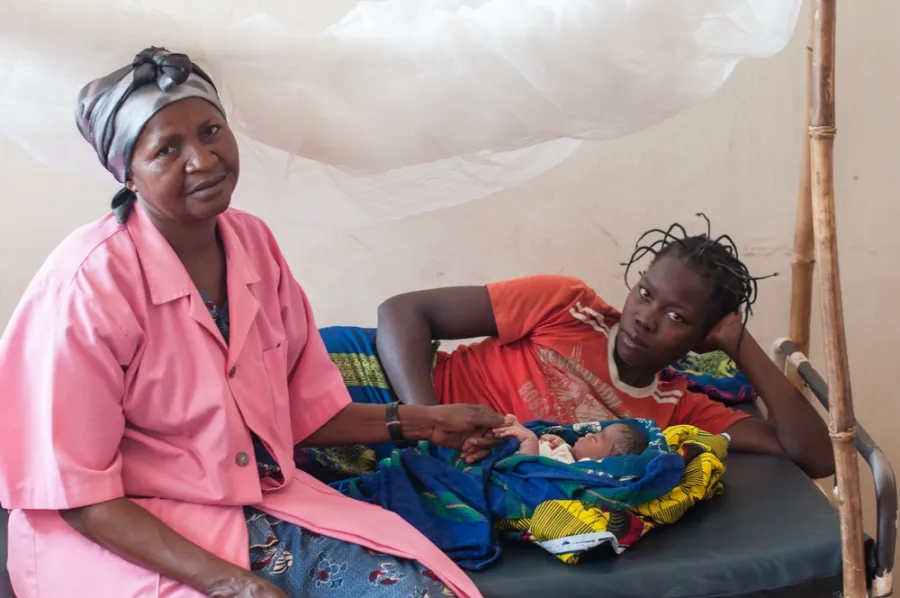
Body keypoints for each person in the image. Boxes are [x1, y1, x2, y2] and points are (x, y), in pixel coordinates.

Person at [0, 47, 503, 598]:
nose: (202, 159)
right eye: (167, 149)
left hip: (247, 509)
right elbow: (80, 495)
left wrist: (427, 422)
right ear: (128, 174)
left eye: (211, 131)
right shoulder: (87, 286)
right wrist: (238, 587)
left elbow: (303, 413)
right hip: (123, 536)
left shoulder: (253, 245)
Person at [375, 218, 835, 479]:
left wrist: (741, 345)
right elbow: (400, 313)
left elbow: (814, 456)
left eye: (677, 318)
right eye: (646, 292)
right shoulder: (565, 305)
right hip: (387, 381)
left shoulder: (677, 411)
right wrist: (428, 423)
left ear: (704, 337)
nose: (645, 318)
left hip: (416, 450)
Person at [493, 416, 649, 464]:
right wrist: (561, 444)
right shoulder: (570, 454)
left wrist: (529, 440)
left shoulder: (570, 469)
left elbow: (533, 472)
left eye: (594, 439)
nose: (588, 435)